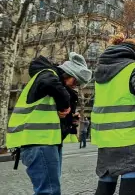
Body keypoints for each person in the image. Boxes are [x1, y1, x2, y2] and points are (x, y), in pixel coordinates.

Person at [6, 52, 92, 195]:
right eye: (75, 81)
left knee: (49, 189)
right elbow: (54, 87)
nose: (75, 86)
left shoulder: (48, 78)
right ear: (68, 73)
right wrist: (64, 105)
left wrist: (69, 118)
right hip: (38, 141)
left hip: (44, 142)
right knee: (49, 191)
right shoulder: (48, 74)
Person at [91, 34, 135, 195]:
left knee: (106, 178)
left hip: (105, 136)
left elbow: (119, 94)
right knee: (131, 173)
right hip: (131, 135)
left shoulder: (101, 71)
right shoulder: (134, 67)